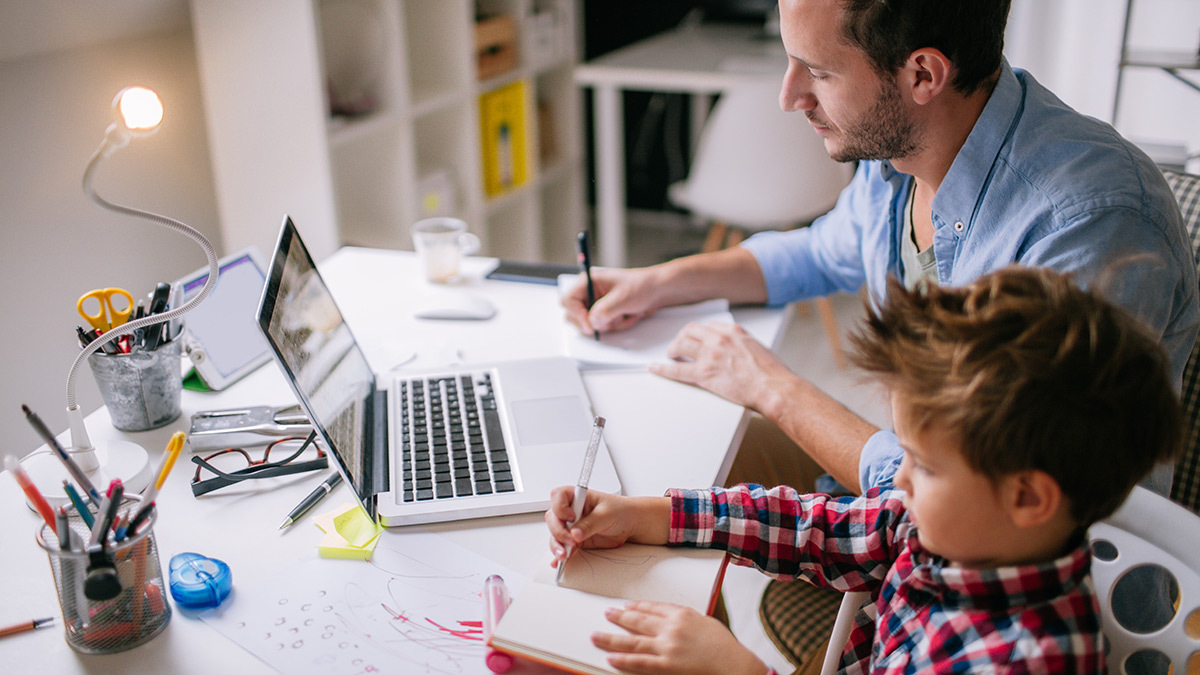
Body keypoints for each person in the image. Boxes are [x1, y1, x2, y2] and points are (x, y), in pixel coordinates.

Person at [562, 0, 1198, 498]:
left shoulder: (1087, 226)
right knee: (669, 468)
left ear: (922, 73)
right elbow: (822, 252)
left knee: (692, 494)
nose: (789, 97)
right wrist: (661, 281)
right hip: (908, 490)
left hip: (1008, 587)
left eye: (817, 71)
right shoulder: (904, 149)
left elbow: (985, 491)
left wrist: (771, 386)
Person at [546, 266, 1183, 674]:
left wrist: (734, 671)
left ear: (1026, 498)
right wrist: (645, 514)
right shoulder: (949, 530)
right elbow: (810, 526)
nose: (897, 478)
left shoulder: (1024, 660)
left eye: (925, 466)